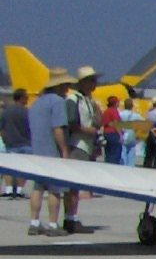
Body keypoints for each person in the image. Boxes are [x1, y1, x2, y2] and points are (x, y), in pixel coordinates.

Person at [26, 69, 72, 235]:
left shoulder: (35, 103)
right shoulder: (58, 102)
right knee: (55, 189)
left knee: (37, 187)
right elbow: (57, 128)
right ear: (60, 85)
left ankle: (34, 222)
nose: (68, 88)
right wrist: (64, 149)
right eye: (66, 85)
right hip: (50, 151)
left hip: (36, 149)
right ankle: (53, 224)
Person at [62, 65, 102, 232]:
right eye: (92, 80)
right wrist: (89, 131)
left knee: (77, 185)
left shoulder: (87, 101)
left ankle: (72, 216)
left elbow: (98, 121)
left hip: (86, 146)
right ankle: (70, 218)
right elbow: (71, 123)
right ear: (84, 82)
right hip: (76, 145)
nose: (95, 83)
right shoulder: (73, 99)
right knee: (73, 184)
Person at [1, 88, 30, 198]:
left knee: (10, 168)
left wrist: (5, 139)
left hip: (11, 143)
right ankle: (18, 190)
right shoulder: (27, 112)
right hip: (26, 143)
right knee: (23, 168)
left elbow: (2, 128)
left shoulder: (6, 112)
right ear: (22, 98)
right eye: (26, 97)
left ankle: (8, 189)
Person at [100, 95, 125, 164]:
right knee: (115, 154)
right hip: (113, 134)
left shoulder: (106, 111)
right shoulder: (114, 111)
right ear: (115, 103)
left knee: (109, 153)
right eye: (118, 102)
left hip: (106, 133)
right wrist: (120, 135)